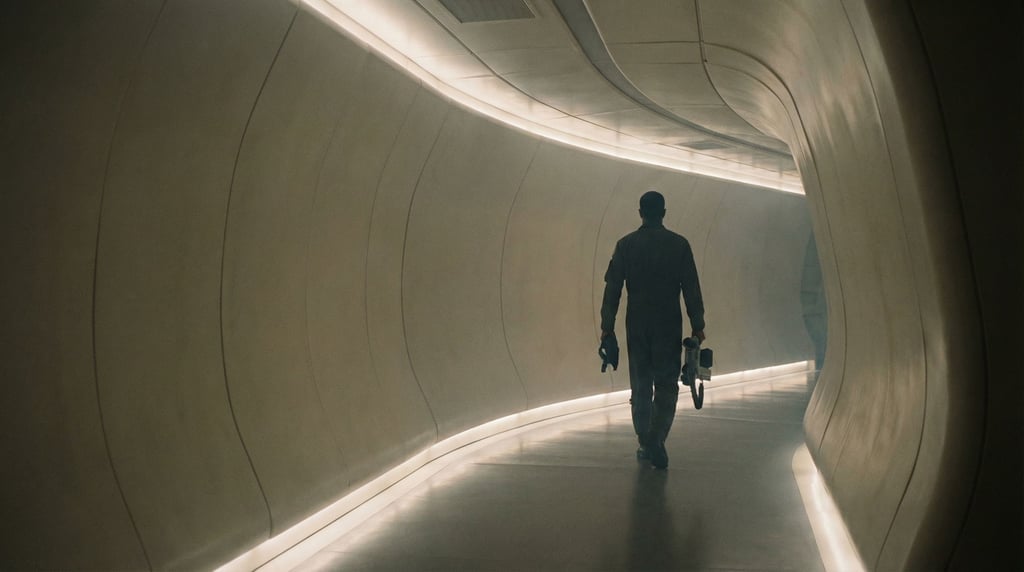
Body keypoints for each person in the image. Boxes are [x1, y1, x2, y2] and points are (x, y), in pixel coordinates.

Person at [600, 190, 706, 469]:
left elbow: (613, 289)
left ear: (640, 213)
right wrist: (698, 325)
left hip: (636, 321)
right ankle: (657, 437)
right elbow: (691, 288)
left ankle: (645, 439)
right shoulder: (679, 245)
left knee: (641, 382)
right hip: (668, 321)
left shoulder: (625, 245)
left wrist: (606, 327)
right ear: (664, 213)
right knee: (667, 382)